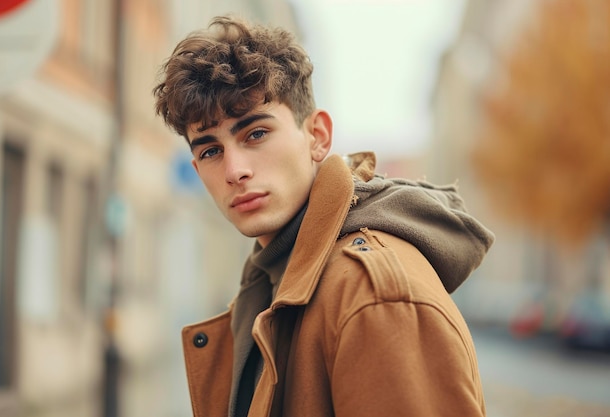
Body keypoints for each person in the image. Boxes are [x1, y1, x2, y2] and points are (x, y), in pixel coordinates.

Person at [153, 15, 495, 417]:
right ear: (196, 170)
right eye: (211, 151)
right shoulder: (271, 280)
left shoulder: (374, 297)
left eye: (256, 134)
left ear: (317, 137)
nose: (234, 171)